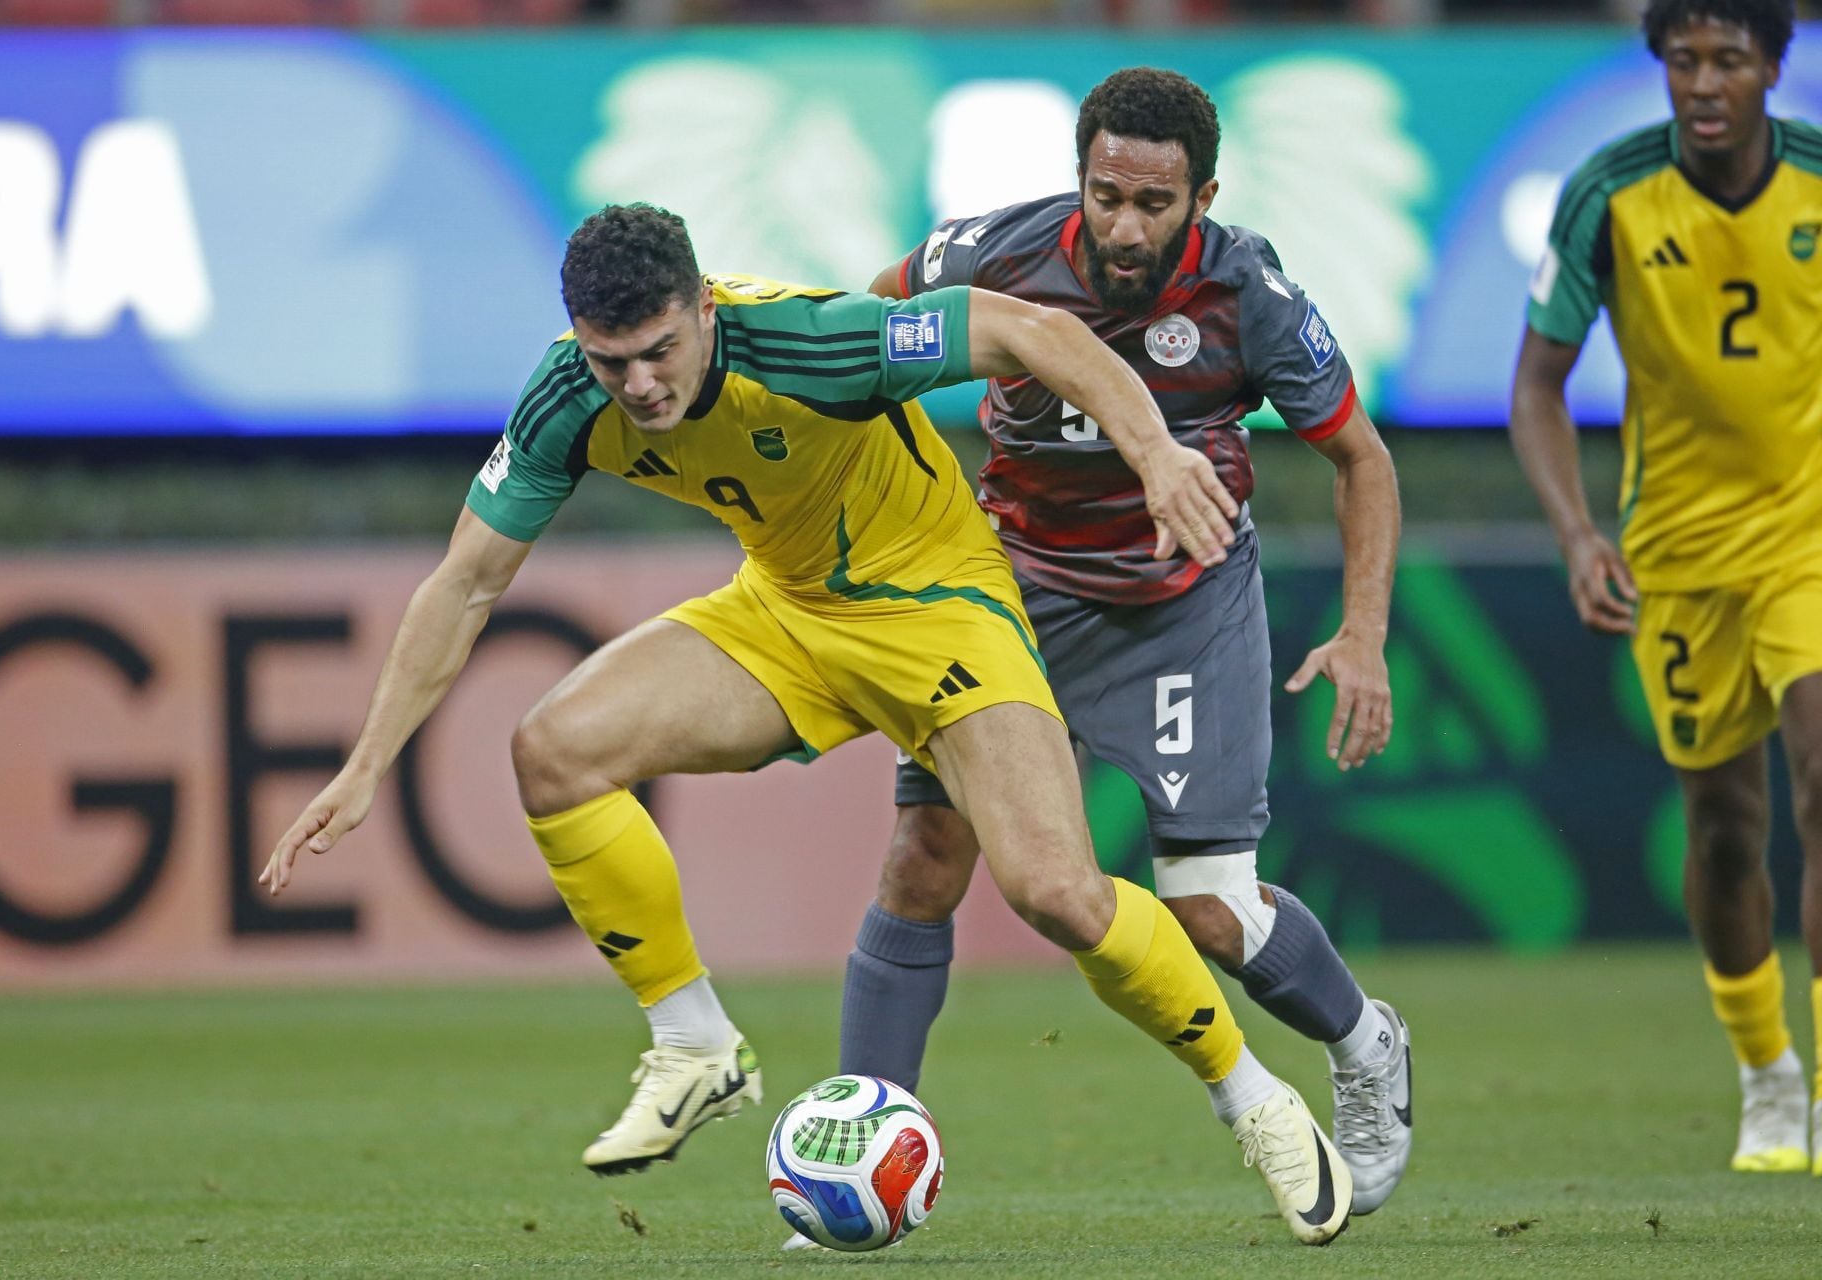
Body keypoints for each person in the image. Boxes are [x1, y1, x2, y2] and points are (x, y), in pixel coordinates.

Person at [260, 203, 1354, 1243]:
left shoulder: (811, 343)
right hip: (787, 612)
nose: (638, 384)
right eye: (610, 360)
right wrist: (366, 765)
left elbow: (1032, 327)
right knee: (555, 749)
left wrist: (1159, 453)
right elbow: (464, 584)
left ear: (702, 311)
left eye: (657, 350)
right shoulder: (565, 398)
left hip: (938, 608)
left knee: (1055, 891)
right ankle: (693, 1044)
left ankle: (1249, 1095)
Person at [823, 66, 1412, 1218]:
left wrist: (1365, 632)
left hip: (1180, 609)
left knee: (1206, 911)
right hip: (1014, 598)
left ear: (1205, 194)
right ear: (1079, 179)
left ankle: (1366, 1042)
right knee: (923, 855)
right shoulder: (990, 256)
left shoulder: (1252, 297)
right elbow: (860, 329)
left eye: (1156, 203)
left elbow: (1363, 460)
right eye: (1106, 196)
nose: (1126, 225)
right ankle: (864, 1150)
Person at [1510, 1, 1822, 1174]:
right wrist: (1582, 533)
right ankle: (1768, 1075)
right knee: (1728, 827)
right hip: (1679, 556)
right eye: (1682, 60)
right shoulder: (1610, 194)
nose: (1703, 83)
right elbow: (1538, 386)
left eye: (1728, 60)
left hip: (1808, 533)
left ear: (1774, 69)